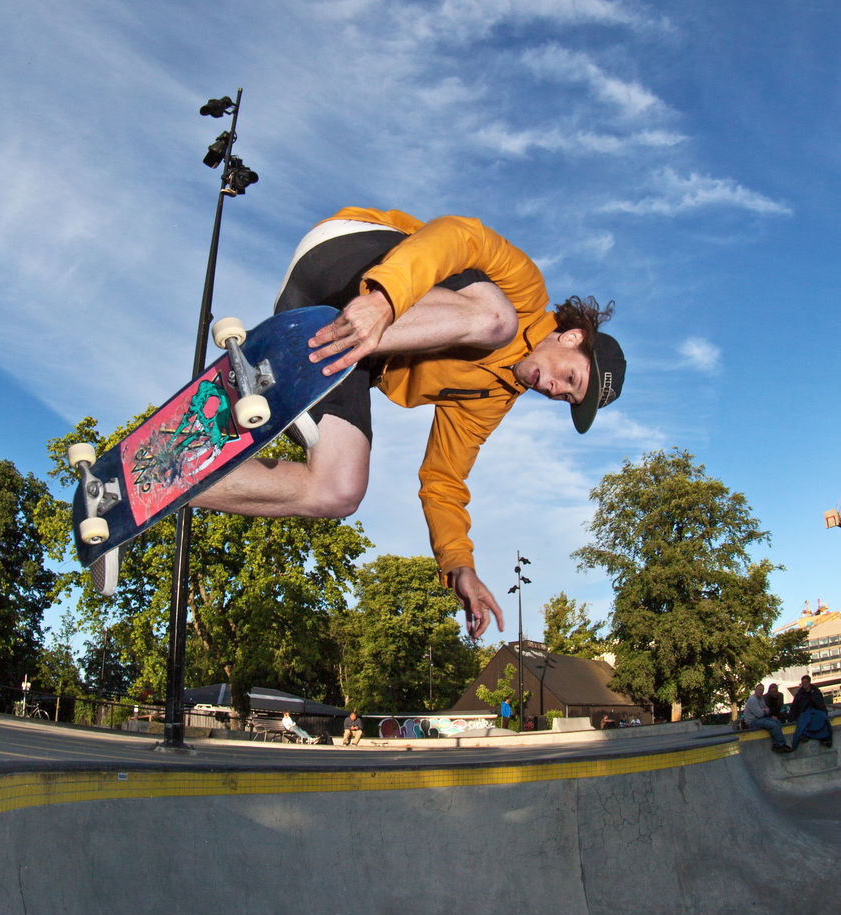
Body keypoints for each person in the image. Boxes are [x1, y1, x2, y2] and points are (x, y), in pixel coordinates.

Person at [193, 208, 626, 640]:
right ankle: (341, 329)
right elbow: (459, 234)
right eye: (569, 377)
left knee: (338, 489)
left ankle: (175, 481)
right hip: (351, 260)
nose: (553, 388)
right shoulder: (526, 289)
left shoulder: (491, 400)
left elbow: (443, 479)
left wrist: (461, 568)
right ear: (572, 338)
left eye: (566, 396)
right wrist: (386, 301)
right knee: (498, 320)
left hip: (343, 347)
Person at [742, 683, 792, 753]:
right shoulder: (752, 700)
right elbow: (760, 714)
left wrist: (763, 710)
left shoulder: (761, 698)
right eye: (759, 690)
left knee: (777, 722)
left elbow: (767, 710)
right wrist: (763, 710)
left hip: (760, 719)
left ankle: (776, 744)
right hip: (752, 722)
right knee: (773, 725)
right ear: (755, 690)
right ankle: (780, 744)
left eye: (762, 690)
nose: (761, 692)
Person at [789, 674, 833, 751]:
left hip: (816, 711)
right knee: (802, 724)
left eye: (806, 682)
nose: (804, 684)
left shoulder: (816, 691)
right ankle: (798, 741)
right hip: (805, 712)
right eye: (803, 683)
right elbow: (795, 706)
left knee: (823, 719)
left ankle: (827, 738)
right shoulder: (800, 694)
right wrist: (792, 716)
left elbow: (820, 703)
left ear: (809, 683)